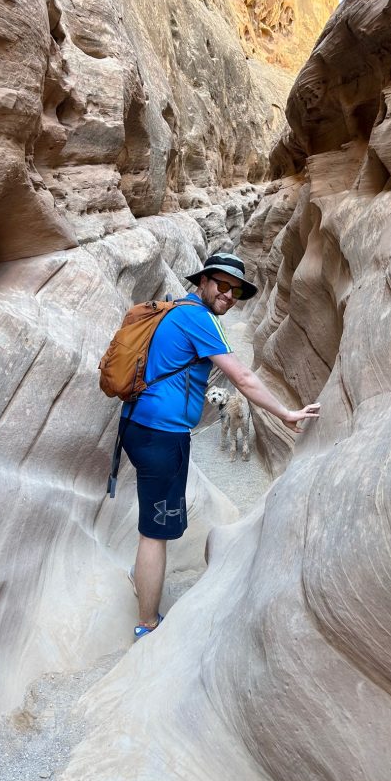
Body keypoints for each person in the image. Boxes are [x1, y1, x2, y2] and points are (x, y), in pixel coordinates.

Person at [121, 252, 320, 640]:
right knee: (155, 532)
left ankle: (139, 576)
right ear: (204, 282)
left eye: (237, 291)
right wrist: (284, 413)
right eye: (223, 285)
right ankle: (147, 623)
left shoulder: (176, 309)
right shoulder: (200, 319)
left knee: (153, 516)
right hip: (161, 435)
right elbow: (242, 377)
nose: (229, 296)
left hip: (138, 425)